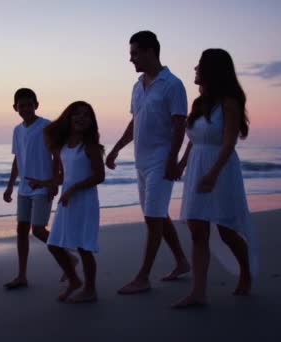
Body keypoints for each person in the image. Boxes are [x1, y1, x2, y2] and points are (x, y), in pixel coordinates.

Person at [172, 49, 258, 308]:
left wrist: (212, 173)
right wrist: (183, 163)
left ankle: (245, 271)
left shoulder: (229, 102)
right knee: (197, 230)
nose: (195, 69)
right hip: (198, 166)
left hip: (220, 169)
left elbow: (229, 142)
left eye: (199, 65)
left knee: (226, 230)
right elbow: (194, 139)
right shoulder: (199, 104)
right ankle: (199, 292)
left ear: (212, 70)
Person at [106, 31, 190, 294]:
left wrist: (173, 160)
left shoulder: (172, 84)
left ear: (150, 51)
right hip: (141, 163)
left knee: (153, 218)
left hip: (160, 162)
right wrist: (116, 149)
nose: (131, 59)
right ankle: (182, 262)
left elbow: (180, 125)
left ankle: (143, 277)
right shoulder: (137, 86)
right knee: (157, 215)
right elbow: (136, 122)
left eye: (134, 53)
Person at [28, 101, 105, 303]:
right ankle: (74, 280)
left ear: (91, 121)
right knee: (54, 244)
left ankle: (90, 290)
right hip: (68, 201)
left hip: (85, 201)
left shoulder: (90, 146)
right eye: (77, 114)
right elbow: (65, 177)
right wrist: (44, 183)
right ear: (68, 118)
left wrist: (73, 189)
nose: (82, 118)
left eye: (87, 115)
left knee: (84, 247)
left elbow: (99, 176)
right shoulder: (64, 147)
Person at [3, 88, 75, 289]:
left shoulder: (46, 127)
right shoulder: (17, 130)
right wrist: (10, 186)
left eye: (29, 104)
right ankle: (22, 275)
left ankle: (68, 257)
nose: (25, 108)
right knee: (22, 230)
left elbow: (56, 156)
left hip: (42, 186)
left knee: (38, 230)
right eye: (21, 105)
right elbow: (18, 159)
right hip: (24, 188)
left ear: (36, 104)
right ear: (15, 108)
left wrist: (53, 181)